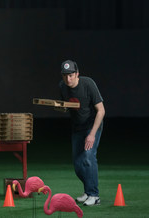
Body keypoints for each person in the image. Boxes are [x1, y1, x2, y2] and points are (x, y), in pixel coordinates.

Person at [57, 60, 105, 206]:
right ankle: (87, 191)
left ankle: (94, 195)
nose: (68, 79)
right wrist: (61, 108)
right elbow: (67, 106)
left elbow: (101, 110)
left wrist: (92, 134)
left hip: (92, 125)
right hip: (77, 128)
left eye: (71, 75)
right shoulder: (62, 86)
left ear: (77, 74)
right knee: (78, 164)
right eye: (65, 76)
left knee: (88, 158)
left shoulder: (88, 84)